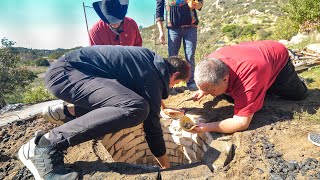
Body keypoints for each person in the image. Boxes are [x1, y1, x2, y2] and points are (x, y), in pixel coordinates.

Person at [18, 45, 190, 179]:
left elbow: (144, 91)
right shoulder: (152, 76)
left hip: (68, 71)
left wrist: (162, 106)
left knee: (126, 101)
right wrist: (167, 168)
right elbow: (152, 128)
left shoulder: (148, 62)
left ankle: (68, 112)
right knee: (136, 108)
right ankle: (46, 144)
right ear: (174, 75)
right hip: (65, 75)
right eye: (178, 83)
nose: (173, 87)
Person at [190, 40, 308, 134]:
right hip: (254, 57)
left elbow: (241, 123)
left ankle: (295, 81)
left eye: (212, 90)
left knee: (299, 95)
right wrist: (203, 90)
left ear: (225, 78)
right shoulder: (210, 64)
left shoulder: (247, 77)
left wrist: (206, 127)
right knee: (232, 97)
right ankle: (263, 87)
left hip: (277, 59)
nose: (210, 93)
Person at [156, 0, 203, 90]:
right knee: (172, 58)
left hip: (190, 28)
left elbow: (200, 4)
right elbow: (159, 12)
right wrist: (161, 32)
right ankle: (170, 85)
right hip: (173, 29)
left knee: (190, 56)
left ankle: (190, 82)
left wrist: (195, 4)